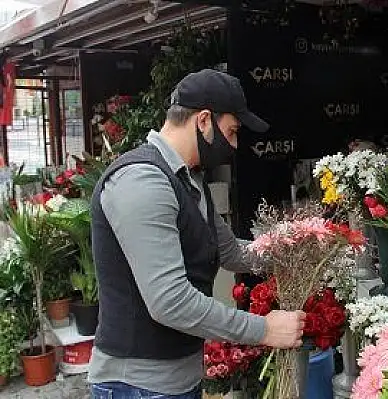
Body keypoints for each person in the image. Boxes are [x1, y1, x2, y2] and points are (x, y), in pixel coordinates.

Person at [88, 69, 305, 399]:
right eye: (231, 132)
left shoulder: (188, 181)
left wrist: (298, 248)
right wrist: (263, 330)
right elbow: (169, 301)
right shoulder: (143, 183)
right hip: (137, 386)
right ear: (204, 121)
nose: (234, 145)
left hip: (178, 380)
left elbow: (233, 253)